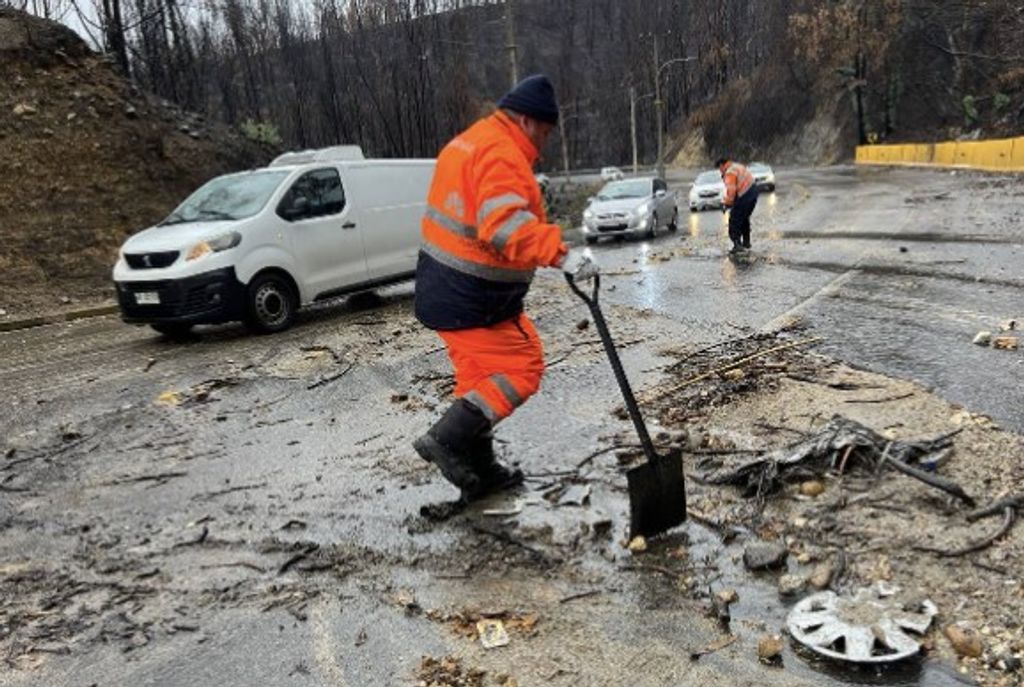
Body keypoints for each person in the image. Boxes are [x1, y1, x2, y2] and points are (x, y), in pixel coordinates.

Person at [413, 74, 598, 501]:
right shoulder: (502, 154)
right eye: (546, 133)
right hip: (471, 295)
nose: (544, 143)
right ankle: (445, 439)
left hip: (442, 289)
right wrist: (563, 254)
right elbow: (504, 226)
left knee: (479, 380)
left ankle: (480, 474)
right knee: (523, 365)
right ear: (529, 121)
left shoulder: (472, 142)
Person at [716, 157, 758, 253]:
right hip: (753, 192)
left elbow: (731, 191)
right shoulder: (737, 166)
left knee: (734, 219)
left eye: (719, 169)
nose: (720, 171)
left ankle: (737, 244)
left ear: (722, 165)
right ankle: (746, 242)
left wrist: (726, 204)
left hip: (744, 195)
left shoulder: (730, 172)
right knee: (744, 218)